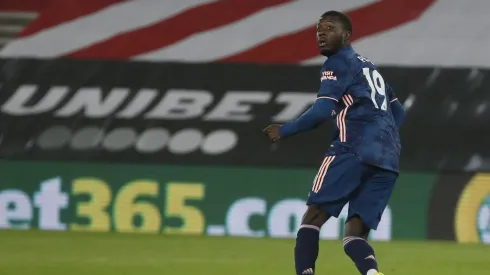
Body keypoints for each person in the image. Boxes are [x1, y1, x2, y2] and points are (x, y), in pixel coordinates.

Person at [263, 10, 406, 275]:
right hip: (388, 159)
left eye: (329, 29)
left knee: (312, 220)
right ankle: (373, 274)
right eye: (318, 31)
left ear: (347, 36)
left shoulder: (338, 63)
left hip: (353, 148)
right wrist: (383, 137)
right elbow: (399, 112)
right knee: (354, 237)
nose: (321, 35)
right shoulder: (369, 68)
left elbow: (320, 112)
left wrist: (284, 131)